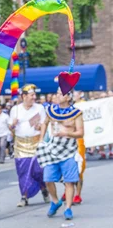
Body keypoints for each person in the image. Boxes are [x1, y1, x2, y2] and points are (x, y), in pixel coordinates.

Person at [38, 90, 84, 220]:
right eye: (57, 93)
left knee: (69, 182)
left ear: (68, 97)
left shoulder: (76, 113)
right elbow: (44, 123)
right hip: (53, 149)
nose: (57, 95)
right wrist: (41, 138)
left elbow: (80, 133)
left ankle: (68, 208)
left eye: (61, 93)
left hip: (68, 150)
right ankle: (55, 201)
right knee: (47, 179)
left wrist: (67, 133)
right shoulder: (51, 110)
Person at [8, 84, 49, 207]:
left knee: (38, 170)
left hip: (36, 142)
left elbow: (44, 125)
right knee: (23, 171)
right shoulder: (15, 109)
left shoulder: (39, 108)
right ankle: (24, 196)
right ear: (24, 96)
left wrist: (41, 137)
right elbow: (10, 127)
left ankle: (44, 188)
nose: (34, 97)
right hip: (20, 144)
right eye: (31, 95)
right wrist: (13, 124)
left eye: (34, 95)